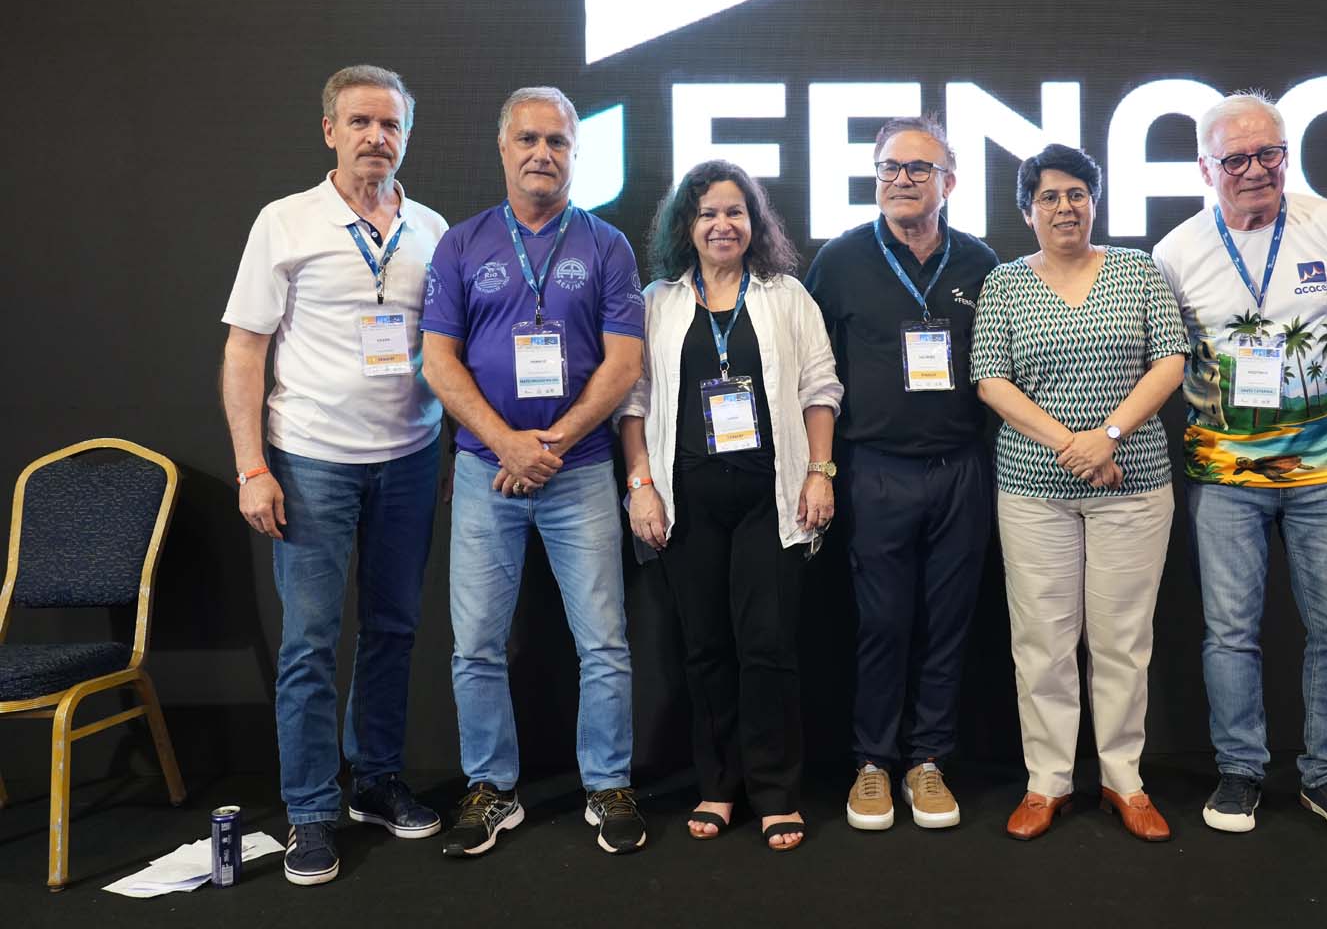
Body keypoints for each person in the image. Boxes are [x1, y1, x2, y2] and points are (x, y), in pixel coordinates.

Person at [221, 64, 447, 886]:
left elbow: (448, 351)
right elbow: (244, 350)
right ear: (329, 131)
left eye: (390, 125)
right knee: (311, 643)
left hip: (410, 459)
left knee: (393, 631)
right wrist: (252, 467)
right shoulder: (284, 222)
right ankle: (311, 812)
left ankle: (375, 782)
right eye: (360, 122)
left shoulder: (431, 229)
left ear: (405, 136)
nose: (375, 137)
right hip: (311, 460)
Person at [1152, 92, 1327, 839]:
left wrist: (1308, 398)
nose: (1255, 170)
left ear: (1287, 155)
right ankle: (1240, 771)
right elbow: (1167, 359)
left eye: (1269, 154)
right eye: (1236, 159)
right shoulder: (1175, 252)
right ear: (1205, 169)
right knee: (1230, 633)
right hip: (1226, 476)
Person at [421, 86, 647, 857]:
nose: (542, 153)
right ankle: (492, 788)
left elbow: (623, 365)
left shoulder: (608, 246)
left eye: (557, 141)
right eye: (528, 139)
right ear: (503, 147)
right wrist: (506, 443)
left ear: (575, 152)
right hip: (486, 472)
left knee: (604, 642)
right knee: (476, 646)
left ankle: (607, 783)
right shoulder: (462, 244)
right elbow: (438, 362)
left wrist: (548, 443)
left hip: (579, 470)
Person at [618, 160, 842, 852]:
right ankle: (717, 785)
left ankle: (774, 792)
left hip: (771, 499)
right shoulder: (656, 301)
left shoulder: (786, 296)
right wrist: (640, 485)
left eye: (735, 212)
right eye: (708, 213)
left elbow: (820, 388)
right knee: (705, 648)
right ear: (686, 225)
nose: (722, 224)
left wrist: (820, 473)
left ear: (754, 222)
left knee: (768, 647)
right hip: (685, 502)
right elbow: (633, 401)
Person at [971, 144, 1189, 842]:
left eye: (1076, 194)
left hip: (1134, 481)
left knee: (1123, 640)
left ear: (1093, 202)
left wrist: (1110, 435)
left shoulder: (1136, 270)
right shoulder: (1005, 283)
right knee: (1042, 640)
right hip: (1034, 488)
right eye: (1048, 197)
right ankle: (1048, 782)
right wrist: (1076, 444)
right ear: (1027, 211)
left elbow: (1170, 361)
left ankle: (1125, 780)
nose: (1064, 207)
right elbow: (991, 380)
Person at [804, 116, 999, 831]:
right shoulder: (841, 260)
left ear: (950, 182)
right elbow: (811, 373)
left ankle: (928, 761)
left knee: (948, 624)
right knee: (882, 624)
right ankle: (872, 762)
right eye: (889, 167)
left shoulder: (981, 262)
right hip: (874, 469)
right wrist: (820, 469)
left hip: (961, 470)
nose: (902, 180)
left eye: (919, 169)